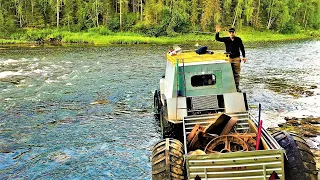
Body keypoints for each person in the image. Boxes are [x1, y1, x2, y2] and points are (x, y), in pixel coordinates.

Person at [215, 26, 246, 92]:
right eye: (230, 32)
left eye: (233, 32)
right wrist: (217, 32)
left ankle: (237, 87)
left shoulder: (238, 39)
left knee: (236, 74)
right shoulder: (226, 39)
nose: (231, 33)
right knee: (228, 73)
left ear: (235, 33)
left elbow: (242, 48)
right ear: (229, 33)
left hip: (236, 59)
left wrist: (244, 57)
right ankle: (229, 87)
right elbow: (217, 39)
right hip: (228, 58)